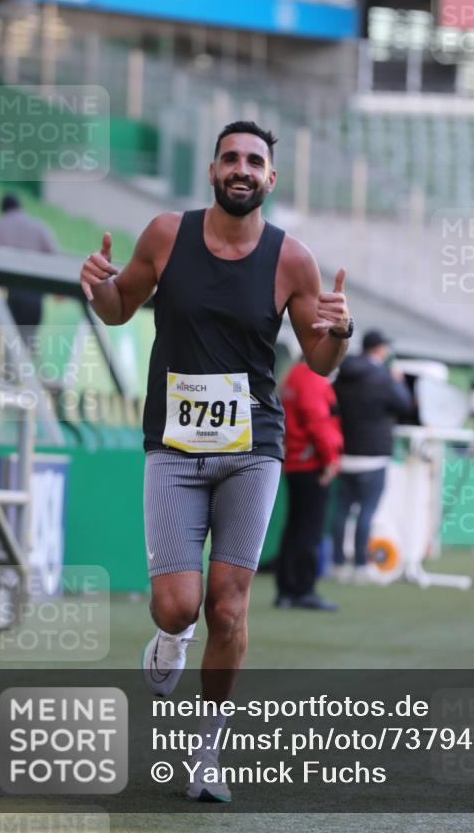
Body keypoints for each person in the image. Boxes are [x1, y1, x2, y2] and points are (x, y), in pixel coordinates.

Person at [78, 121, 353, 802]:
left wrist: (340, 335)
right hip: (173, 447)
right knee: (178, 607)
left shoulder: (293, 261)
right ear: (211, 171)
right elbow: (119, 310)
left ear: (270, 179)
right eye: (230, 157)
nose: (241, 168)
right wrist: (98, 286)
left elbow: (318, 363)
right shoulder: (167, 235)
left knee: (228, 610)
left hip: (250, 449)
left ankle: (206, 759)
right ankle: (171, 640)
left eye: (254, 160)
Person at [331, 329, 415, 584]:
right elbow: (404, 403)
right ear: (379, 349)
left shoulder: (343, 375)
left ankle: (337, 565)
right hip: (374, 454)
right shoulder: (383, 376)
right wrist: (398, 380)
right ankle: (360, 565)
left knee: (342, 511)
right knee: (367, 511)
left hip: (346, 452)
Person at [275, 360, 343, 611]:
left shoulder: (294, 374)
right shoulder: (312, 378)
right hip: (310, 462)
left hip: (295, 460)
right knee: (309, 529)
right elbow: (318, 421)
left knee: (295, 527)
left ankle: (287, 590)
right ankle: (303, 589)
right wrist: (330, 459)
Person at [0, 194, 57, 349]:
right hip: (33, 296)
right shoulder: (39, 227)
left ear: (2, 210)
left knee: (3, 347)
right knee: (25, 346)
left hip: (4, 296)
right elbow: (55, 259)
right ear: (20, 207)